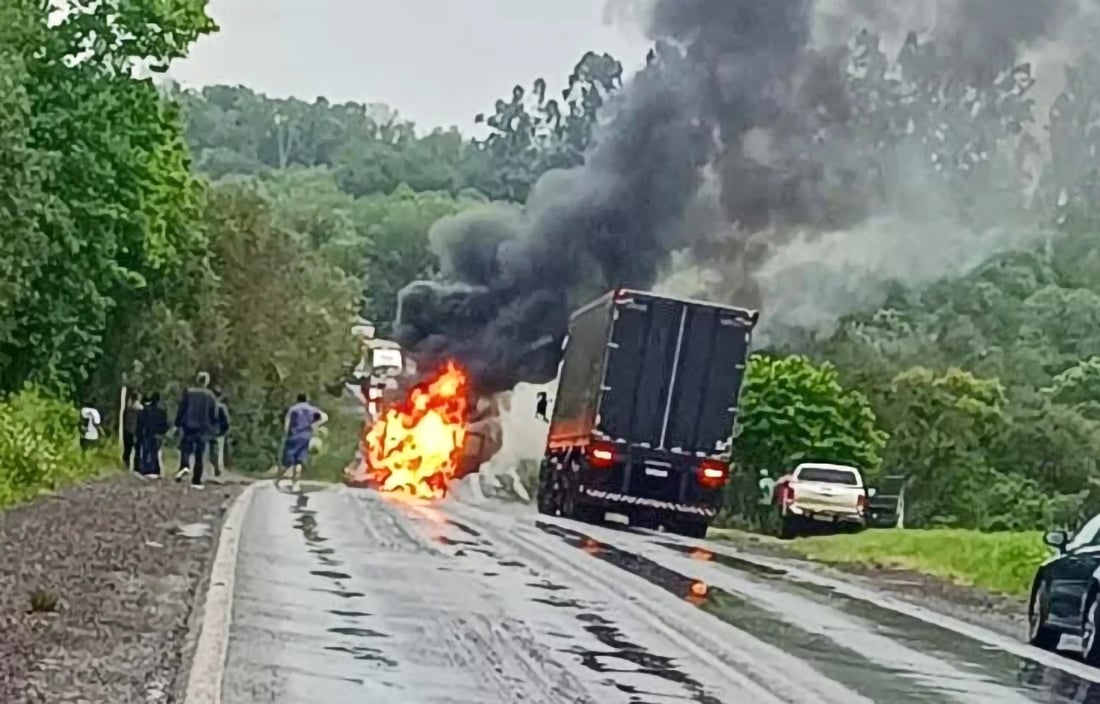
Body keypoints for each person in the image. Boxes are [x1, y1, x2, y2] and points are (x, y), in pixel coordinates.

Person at [174, 371, 218, 488]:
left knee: (186, 448)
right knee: (200, 453)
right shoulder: (210, 396)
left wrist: (177, 423)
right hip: (203, 428)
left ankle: (185, 466)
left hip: (188, 425)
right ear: (206, 382)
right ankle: (196, 479)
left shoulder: (189, 393)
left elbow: (182, 408)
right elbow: (214, 413)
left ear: (197, 380)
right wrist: (213, 426)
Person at [278, 393, 329, 491]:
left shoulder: (293, 409)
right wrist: (315, 425)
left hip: (293, 435)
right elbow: (325, 417)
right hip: (305, 436)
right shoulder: (312, 409)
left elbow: (287, 423)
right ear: (306, 400)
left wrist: (285, 434)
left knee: (288, 459)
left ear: (297, 399)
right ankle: (296, 484)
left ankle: (282, 480)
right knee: (299, 460)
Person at [137, 392, 170, 478]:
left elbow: (141, 422)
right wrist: (163, 433)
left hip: (148, 433)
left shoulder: (146, 409)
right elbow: (165, 424)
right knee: (155, 451)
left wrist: (140, 431)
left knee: (146, 451)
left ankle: (145, 469)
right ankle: (155, 469)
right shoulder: (162, 411)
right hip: (158, 434)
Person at [209, 389, 231, 478]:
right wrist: (225, 431)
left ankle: (215, 469)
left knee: (210, 453)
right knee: (219, 452)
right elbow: (227, 420)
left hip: (209, 432)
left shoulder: (208, 406)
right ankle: (218, 469)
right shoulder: (222, 407)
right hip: (219, 432)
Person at [122, 393, 142, 472]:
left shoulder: (128, 407)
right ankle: (136, 467)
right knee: (137, 450)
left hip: (127, 430)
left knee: (127, 449)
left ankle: (126, 465)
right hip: (135, 430)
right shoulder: (139, 408)